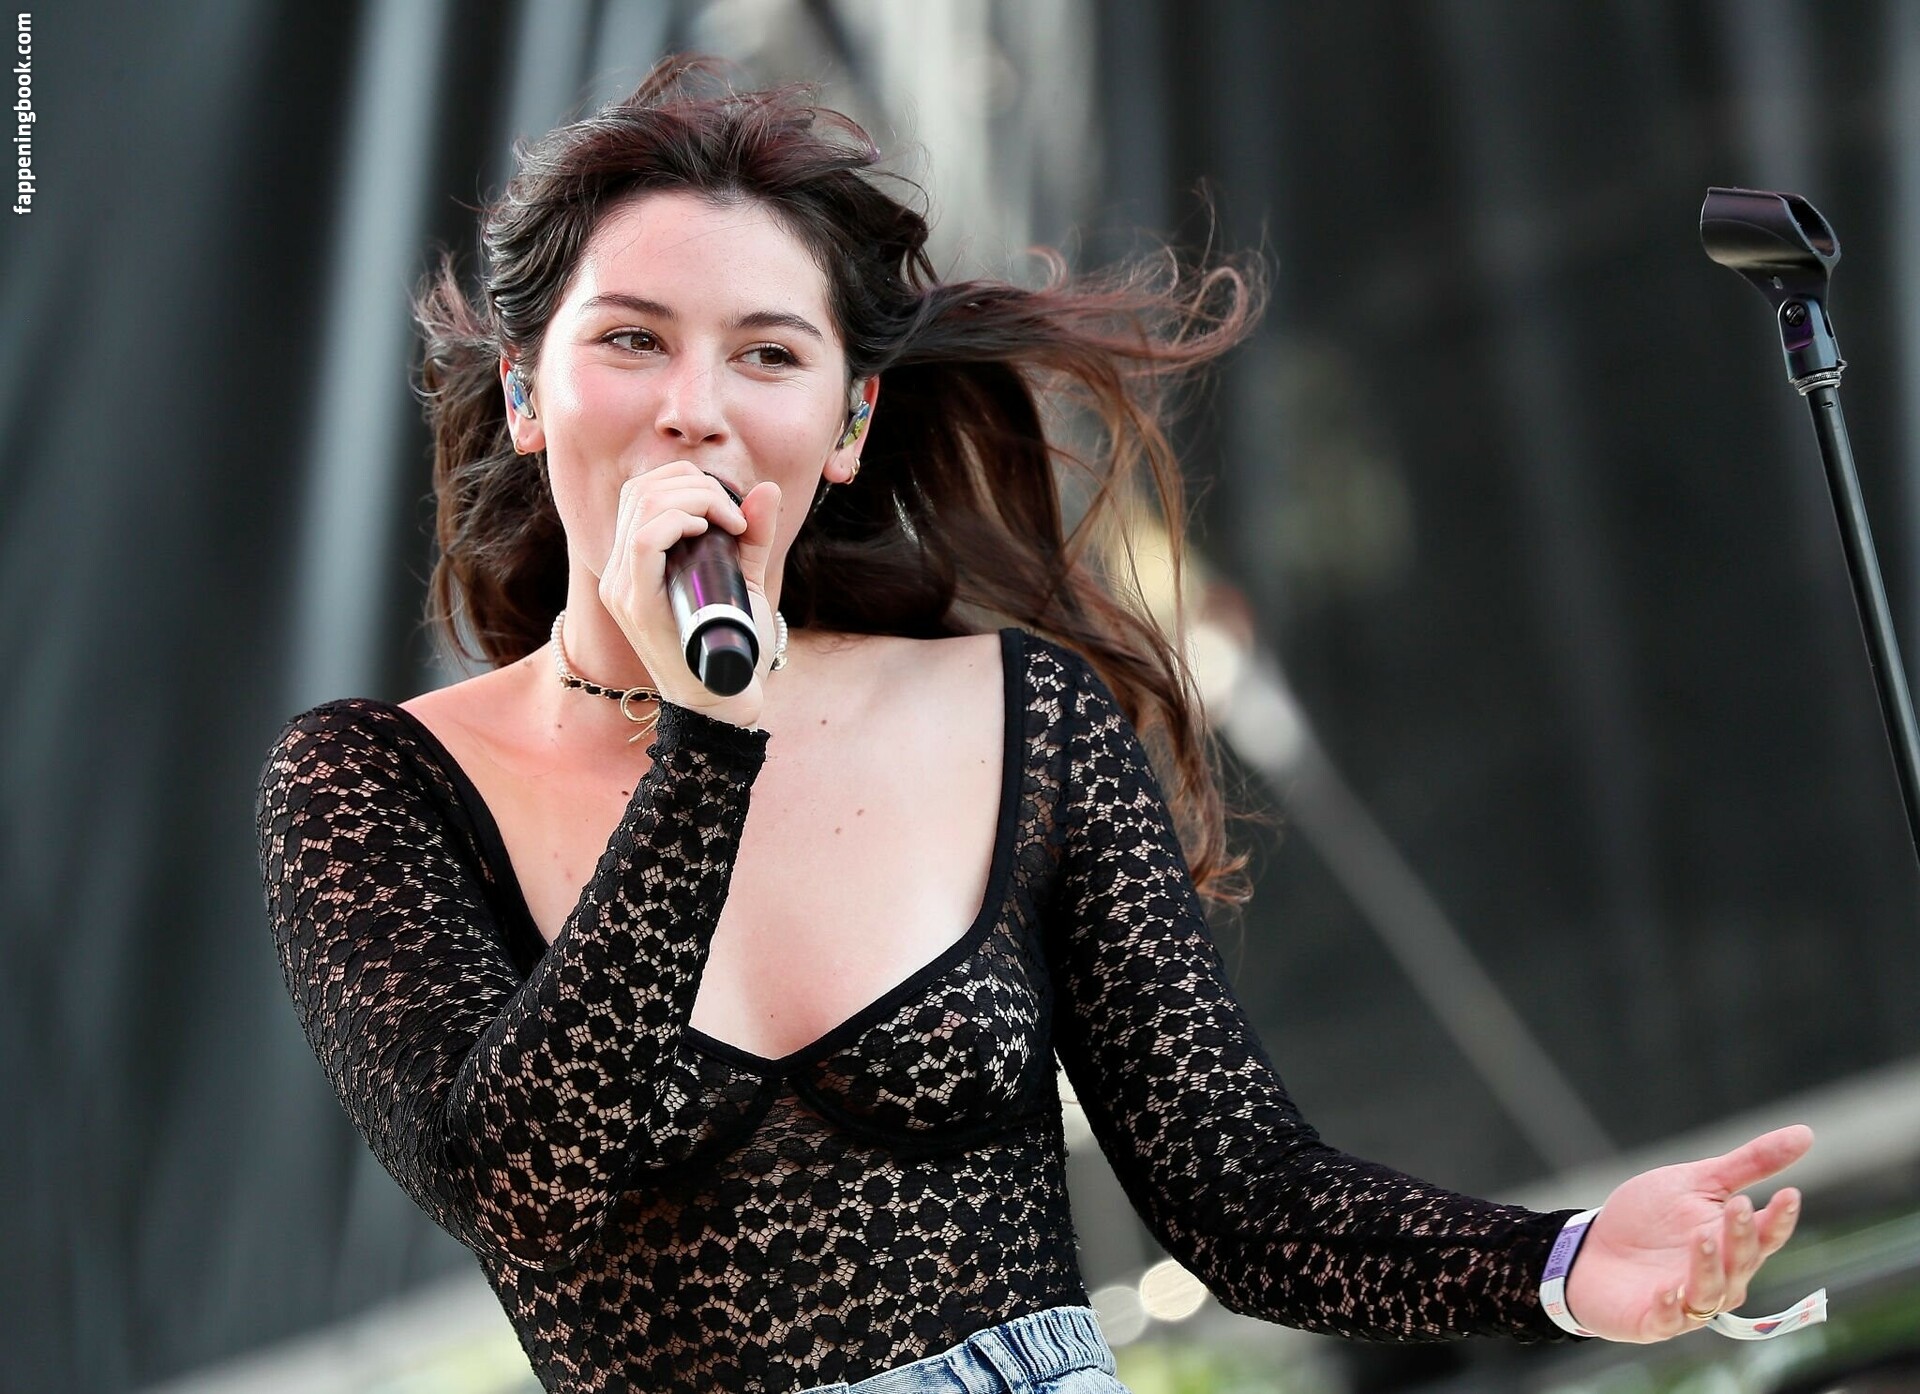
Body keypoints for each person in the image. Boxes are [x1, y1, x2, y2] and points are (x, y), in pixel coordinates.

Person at [257, 57, 1815, 1394]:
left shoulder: (1014, 711)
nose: (698, 406)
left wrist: (1563, 1260)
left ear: (848, 422)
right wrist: (706, 747)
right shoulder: (379, 783)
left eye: (769, 352)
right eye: (631, 339)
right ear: (526, 391)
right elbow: (519, 1177)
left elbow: (1241, 1191)